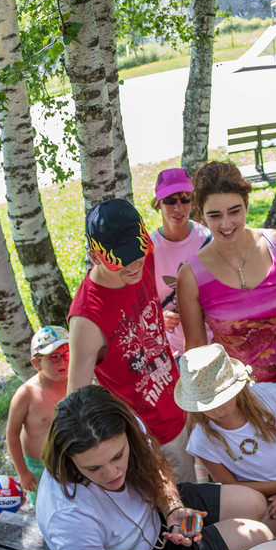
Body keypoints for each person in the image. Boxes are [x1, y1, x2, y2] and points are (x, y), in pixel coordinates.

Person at [36, 386, 272, 550]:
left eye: (118, 456)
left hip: (156, 511)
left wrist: (172, 507)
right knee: (259, 535)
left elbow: (155, 465)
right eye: (94, 469)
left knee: (254, 503)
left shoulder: (117, 424)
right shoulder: (70, 519)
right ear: (68, 460)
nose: (112, 473)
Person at [67, 199, 194, 483]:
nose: (135, 266)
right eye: (121, 261)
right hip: (150, 436)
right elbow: (75, 404)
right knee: (187, 498)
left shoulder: (144, 256)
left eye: (137, 254)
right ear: (95, 256)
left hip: (182, 398)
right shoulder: (87, 320)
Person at [178, 344, 276, 550]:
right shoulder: (202, 440)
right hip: (260, 498)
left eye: (222, 398)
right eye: (206, 405)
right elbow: (232, 488)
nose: (218, 410)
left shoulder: (270, 396)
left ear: (236, 387)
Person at [177, 161, 276, 384]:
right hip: (238, 395)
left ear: (246, 203)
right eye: (215, 215)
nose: (226, 224)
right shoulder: (190, 276)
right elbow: (195, 350)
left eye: (234, 211)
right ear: (201, 214)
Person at [149, 168, 211, 357]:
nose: (178, 208)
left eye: (185, 199)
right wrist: (158, 318)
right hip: (171, 353)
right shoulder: (148, 250)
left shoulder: (207, 240)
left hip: (212, 345)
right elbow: (139, 304)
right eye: (170, 200)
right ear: (158, 203)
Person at [8, 325, 71, 495]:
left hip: (73, 459)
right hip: (40, 467)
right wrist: (23, 472)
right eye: (53, 357)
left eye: (66, 354)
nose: (62, 362)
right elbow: (12, 434)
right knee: (46, 504)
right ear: (37, 364)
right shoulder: (27, 394)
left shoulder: (75, 381)